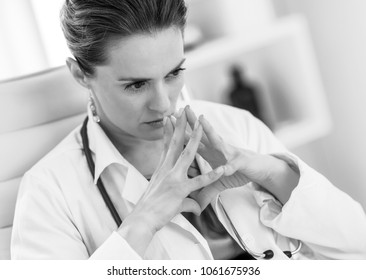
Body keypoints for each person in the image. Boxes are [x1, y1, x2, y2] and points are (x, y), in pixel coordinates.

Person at [11, 0, 366, 260]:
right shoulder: (49, 191)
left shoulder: (234, 125)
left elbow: (356, 243)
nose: (163, 103)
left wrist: (273, 173)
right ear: (80, 75)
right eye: (136, 85)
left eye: (174, 73)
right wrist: (144, 220)